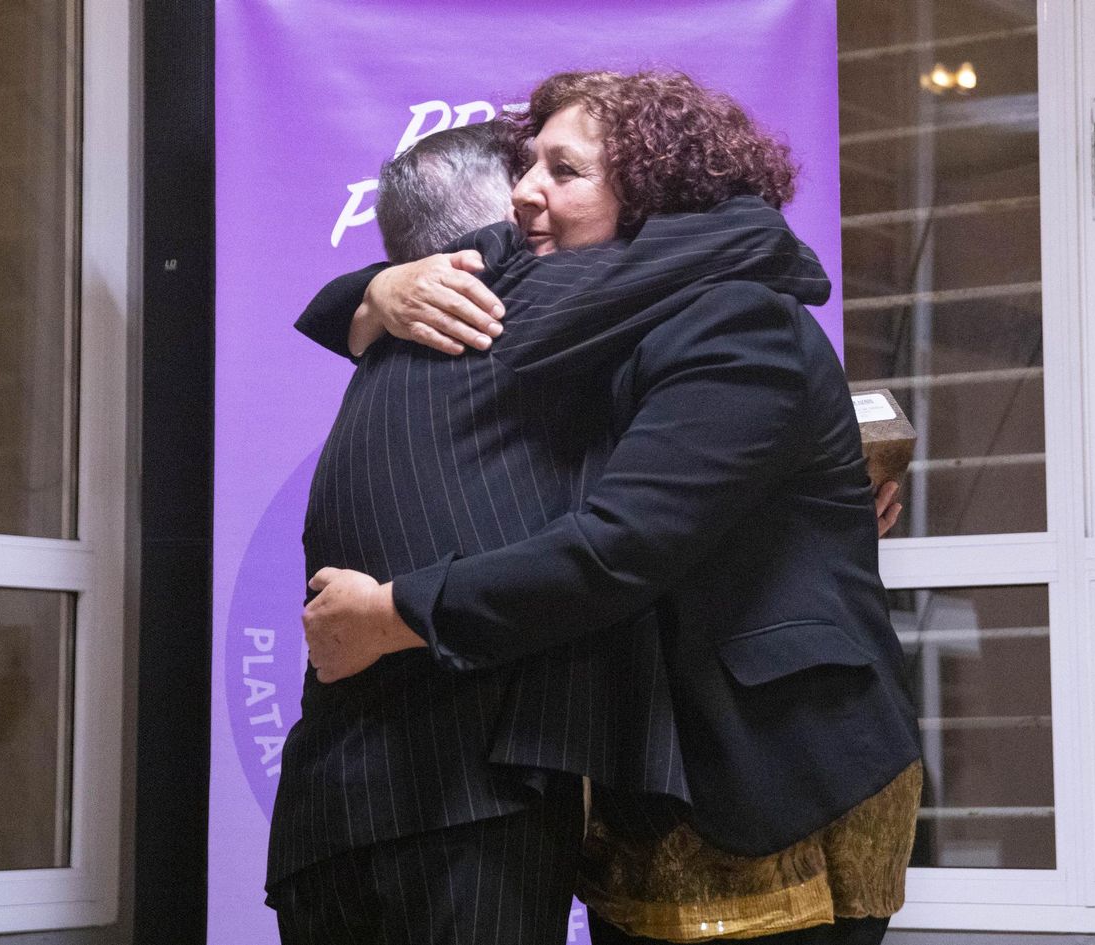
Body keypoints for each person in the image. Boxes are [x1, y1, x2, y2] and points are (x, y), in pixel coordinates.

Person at [306, 71, 919, 945]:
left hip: (767, 765)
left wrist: (393, 611)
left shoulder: (736, 318)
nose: (524, 192)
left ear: (652, 188)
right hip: (650, 765)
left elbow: (618, 547)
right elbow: (453, 262)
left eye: (563, 171)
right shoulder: (611, 303)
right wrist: (375, 295)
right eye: (525, 166)